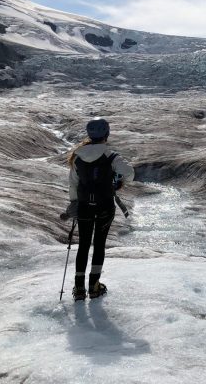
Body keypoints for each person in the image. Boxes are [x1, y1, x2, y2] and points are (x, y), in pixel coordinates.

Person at [65, 118, 134, 301]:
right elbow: (129, 173)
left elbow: (73, 183)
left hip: (84, 206)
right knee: (99, 245)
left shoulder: (77, 156)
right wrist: (119, 183)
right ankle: (94, 286)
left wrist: (74, 202)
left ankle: (79, 289)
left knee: (84, 245)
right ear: (106, 134)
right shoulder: (111, 156)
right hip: (105, 206)